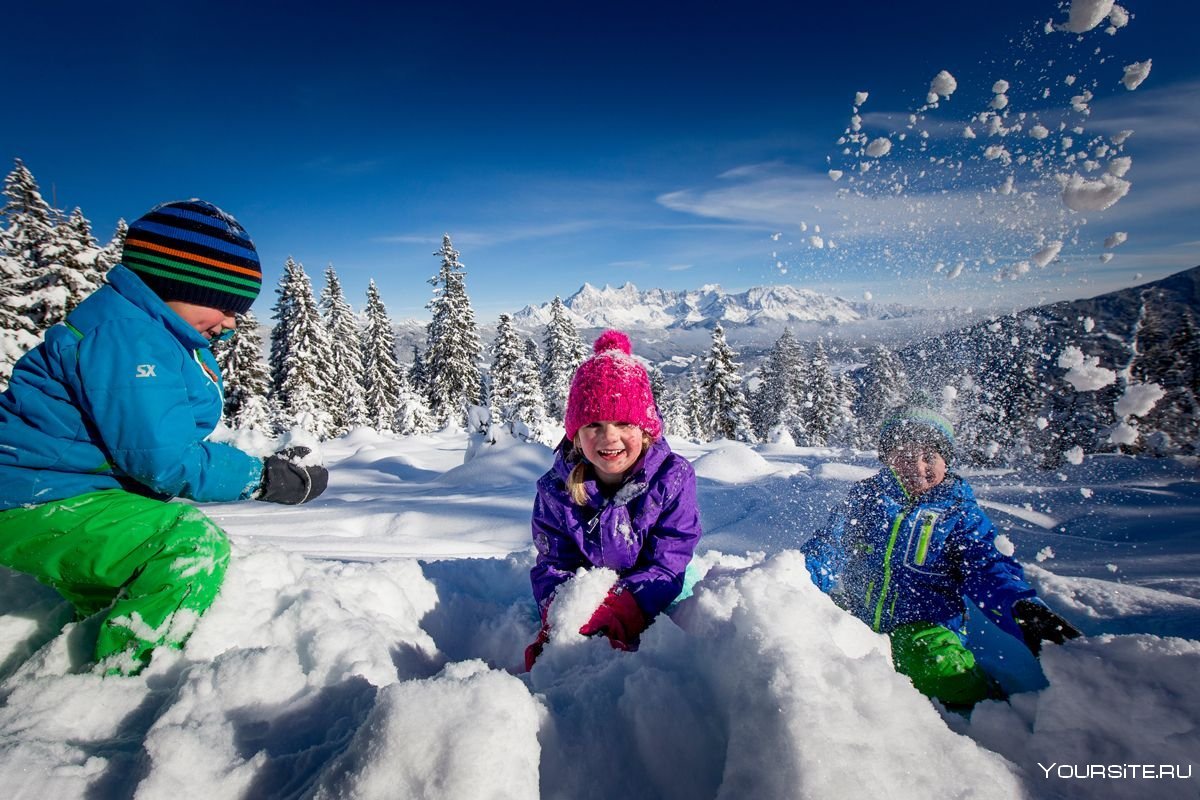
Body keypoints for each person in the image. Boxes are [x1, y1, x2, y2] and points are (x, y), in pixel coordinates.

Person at [0, 199, 328, 676]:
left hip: (59, 493)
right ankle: (123, 683)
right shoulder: (130, 337)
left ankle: (66, 671)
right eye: (225, 304)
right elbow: (163, 460)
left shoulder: (148, 330)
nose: (233, 322)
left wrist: (261, 460)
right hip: (37, 499)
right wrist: (266, 480)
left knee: (121, 581)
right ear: (172, 285)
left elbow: (152, 437)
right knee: (186, 545)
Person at [801, 404, 1080, 707]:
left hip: (926, 626)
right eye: (904, 456)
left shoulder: (958, 513)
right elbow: (829, 547)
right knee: (809, 633)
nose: (917, 467)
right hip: (859, 614)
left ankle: (986, 713)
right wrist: (797, 583)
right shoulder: (866, 499)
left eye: (929, 457)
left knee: (934, 664)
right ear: (887, 459)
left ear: (946, 461)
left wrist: (1021, 608)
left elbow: (985, 567)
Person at [524, 330, 702, 670]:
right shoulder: (556, 491)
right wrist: (560, 614)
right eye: (594, 424)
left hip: (656, 594)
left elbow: (669, 559)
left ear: (647, 430)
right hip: (588, 601)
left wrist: (623, 607)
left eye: (624, 423)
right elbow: (553, 564)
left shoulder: (672, 479)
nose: (609, 438)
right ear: (575, 435)